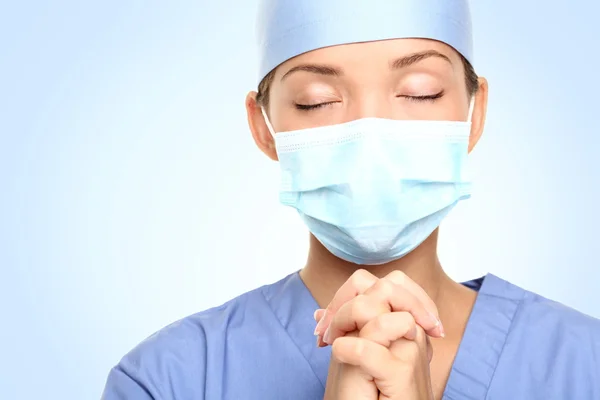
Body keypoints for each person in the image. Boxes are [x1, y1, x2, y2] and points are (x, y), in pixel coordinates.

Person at [102, 0, 600, 399]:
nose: (371, 140)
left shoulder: (584, 366)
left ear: (474, 114)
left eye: (421, 92)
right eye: (316, 101)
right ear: (264, 128)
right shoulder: (168, 381)